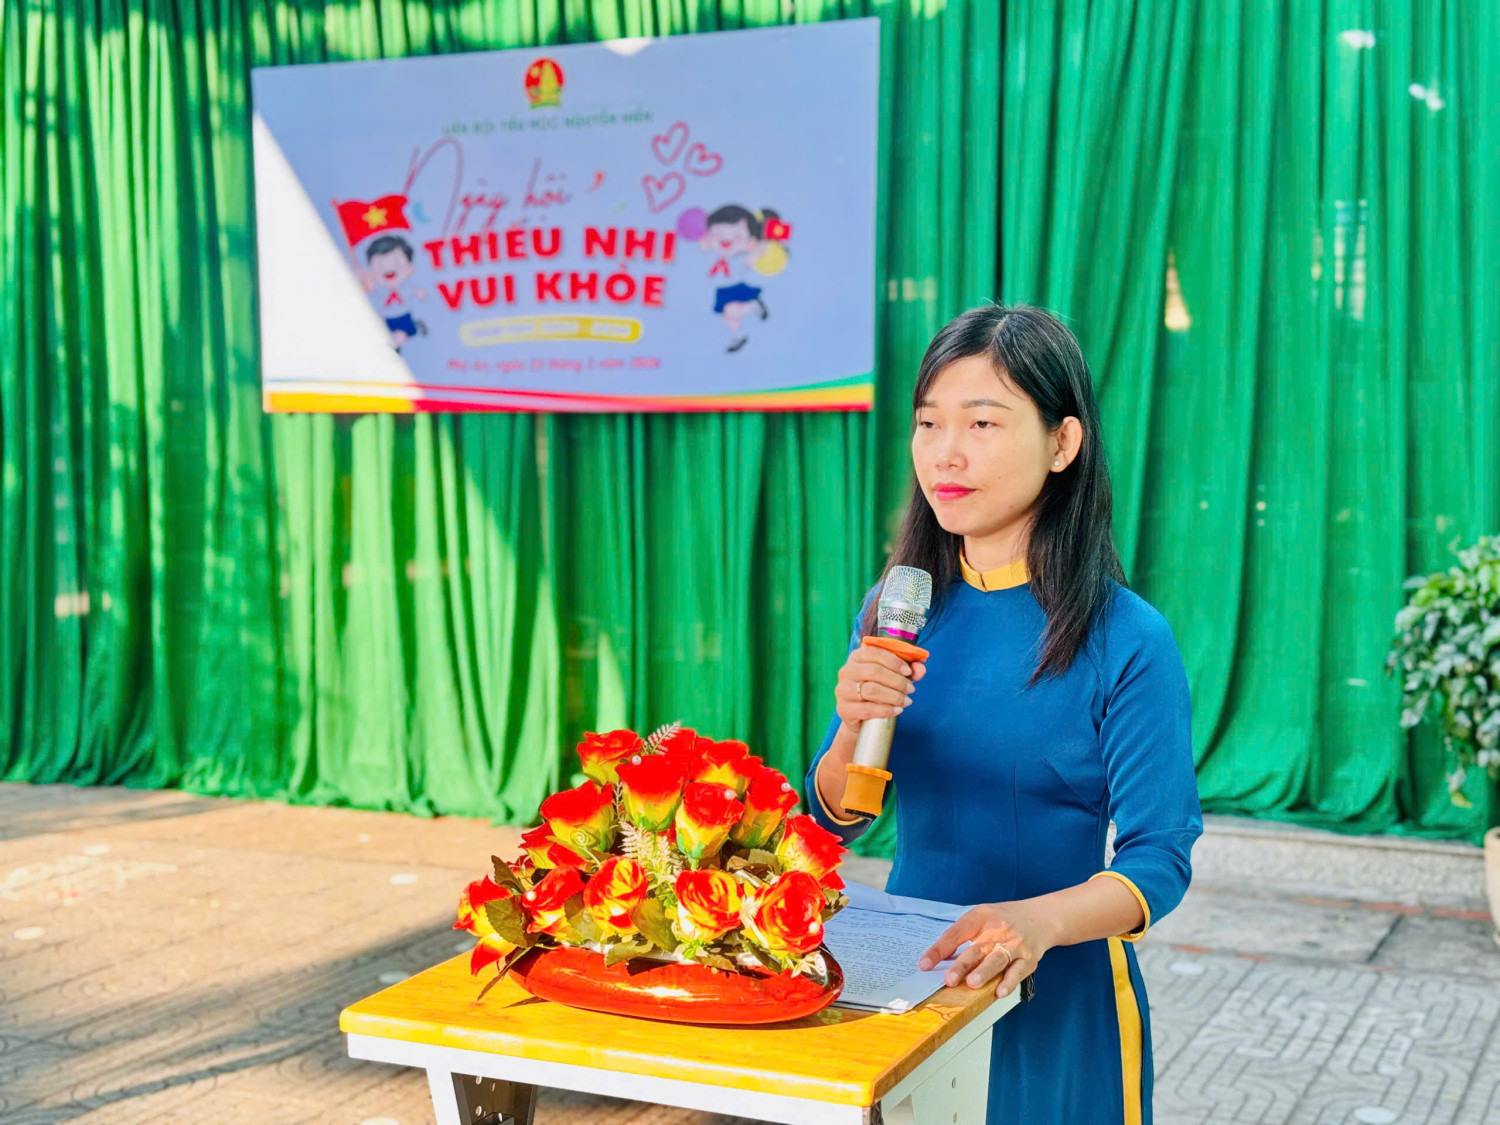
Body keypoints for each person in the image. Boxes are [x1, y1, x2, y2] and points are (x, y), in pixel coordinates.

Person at [804, 304, 1202, 1125]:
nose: (945, 452)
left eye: (982, 422)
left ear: (1063, 442)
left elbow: (1159, 859)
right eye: (928, 422)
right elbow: (838, 816)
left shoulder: (1128, 637)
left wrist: (1037, 923)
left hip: (1060, 1002)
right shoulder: (895, 609)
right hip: (910, 985)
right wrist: (851, 723)